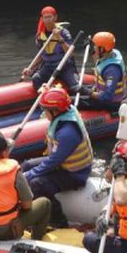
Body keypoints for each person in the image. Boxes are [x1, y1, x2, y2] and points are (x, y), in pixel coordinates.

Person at [21, 87, 93, 223]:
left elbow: (53, 161)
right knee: (26, 165)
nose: (44, 113)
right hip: (64, 164)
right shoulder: (67, 110)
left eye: (45, 110)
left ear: (55, 111)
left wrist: (28, 176)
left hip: (75, 174)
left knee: (36, 183)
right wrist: (47, 92)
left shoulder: (67, 133)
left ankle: (58, 221)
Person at [0, 132, 51, 241]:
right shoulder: (13, 172)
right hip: (4, 231)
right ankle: (37, 239)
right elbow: (27, 205)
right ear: (4, 153)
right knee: (45, 203)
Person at [21, 5, 78, 92]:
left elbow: (71, 53)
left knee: (75, 86)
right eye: (45, 17)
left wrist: (59, 38)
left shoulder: (64, 32)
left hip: (65, 67)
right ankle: (47, 97)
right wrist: (30, 68)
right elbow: (41, 55)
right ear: (42, 19)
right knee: (36, 78)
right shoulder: (40, 36)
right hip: (49, 67)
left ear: (55, 17)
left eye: (50, 17)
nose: (48, 20)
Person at [80, 32, 125, 112]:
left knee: (71, 101)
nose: (93, 47)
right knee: (75, 90)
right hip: (99, 90)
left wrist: (88, 92)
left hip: (111, 102)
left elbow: (107, 96)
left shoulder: (112, 71)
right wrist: (90, 50)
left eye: (95, 46)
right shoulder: (111, 53)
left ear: (102, 49)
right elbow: (98, 63)